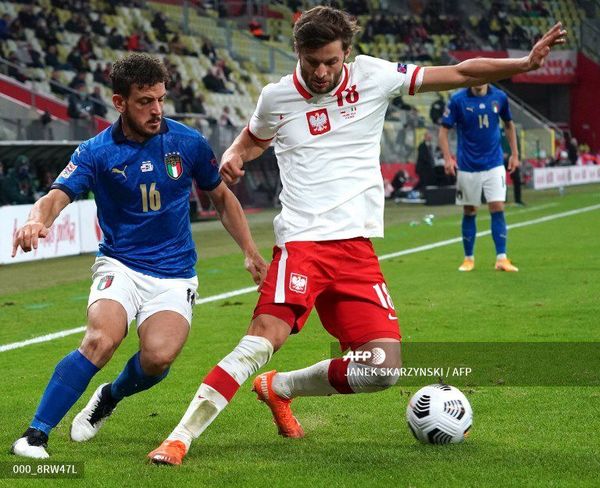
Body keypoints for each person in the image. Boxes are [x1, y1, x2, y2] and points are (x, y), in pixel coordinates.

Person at [148, 7, 566, 465]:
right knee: (261, 341)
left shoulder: (375, 76)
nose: (322, 72)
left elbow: (461, 72)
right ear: (298, 55)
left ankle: (280, 387)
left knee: (383, 368)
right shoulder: (277, 96)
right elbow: (253, 137)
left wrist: (523, 64)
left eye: (331, 61)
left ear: (347, 51)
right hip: (303, 243)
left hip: (357, 248)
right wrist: (234, 154)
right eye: (312, 62)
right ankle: (180, 437)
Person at [10, 53, 266, 459]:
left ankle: (109, 397)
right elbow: (57, 195)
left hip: (175, 273)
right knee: (101, 339)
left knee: (158, 358)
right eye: (145, 101)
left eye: (160, 99)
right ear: (119, 102)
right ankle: (34, 436)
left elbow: (221, 197)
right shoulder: (96, 151)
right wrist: (34, 220)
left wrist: (250, 252)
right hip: (121, 264)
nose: (156, 110)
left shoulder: (187, 142)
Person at [438, 83, 520, 272]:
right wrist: (447, 158)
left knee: (497, 206)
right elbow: (443, 130)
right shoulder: (458, 100)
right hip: (468, 165)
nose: (478, 80)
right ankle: (468, 259)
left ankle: (501, 258)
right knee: (470, 210)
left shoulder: (499, 97)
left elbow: (509, 124)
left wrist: (515, 154)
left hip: (494, 163)